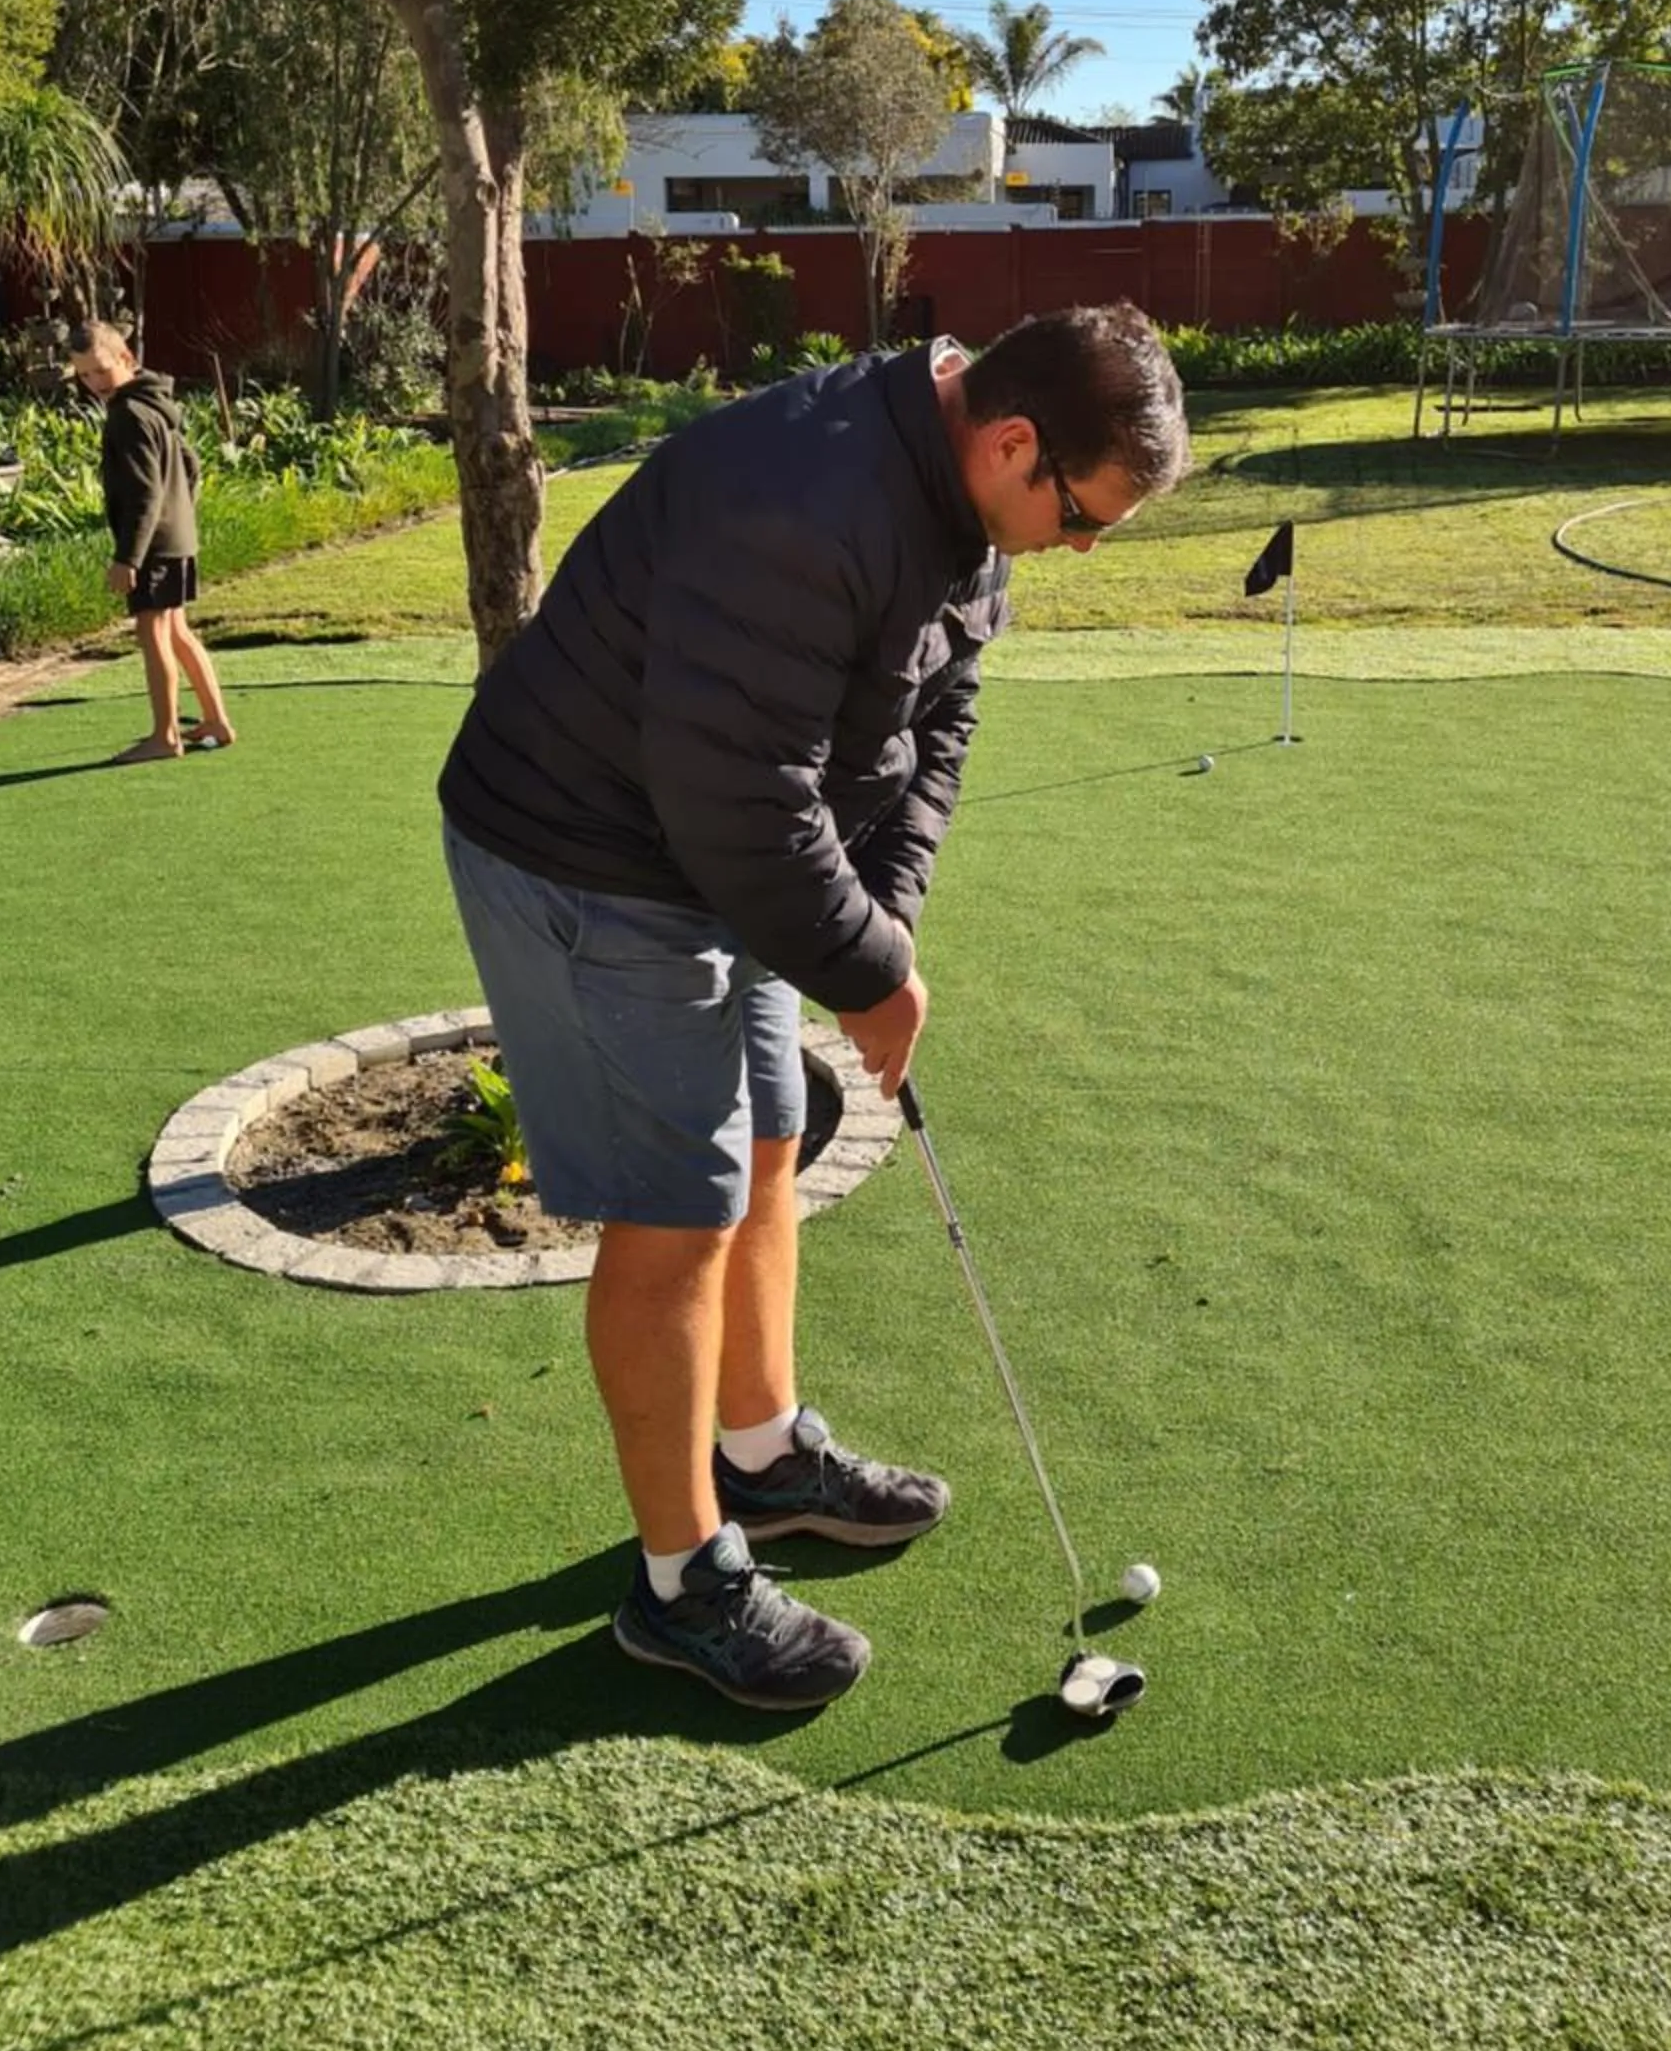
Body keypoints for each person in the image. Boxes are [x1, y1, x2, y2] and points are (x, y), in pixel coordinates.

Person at [438, 302, 1190, 1711]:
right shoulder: (805, 501)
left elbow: (941, 713)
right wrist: (866, 972)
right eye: (1081, 517)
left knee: (769, 1139)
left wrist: (884, 924)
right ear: (1014, 442)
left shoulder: (967, 507)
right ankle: (681, 1585)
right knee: (677, 1211)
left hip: (715, 856)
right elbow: (738, 799)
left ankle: (762, 1452)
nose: (1078, 549)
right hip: (587, 854)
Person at [67, 321, 236, 766]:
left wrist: (128, 557)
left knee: (153, 632)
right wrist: (182, 513)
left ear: (126, 358)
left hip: (155, 546)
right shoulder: (157, 402)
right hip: (176, 537)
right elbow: (190, 465)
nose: (94, 383)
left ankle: (166, 736)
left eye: (101, 370)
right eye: (83, 375)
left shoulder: (128, 414)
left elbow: (144, 494)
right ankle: (216, 721)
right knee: (176, 630)